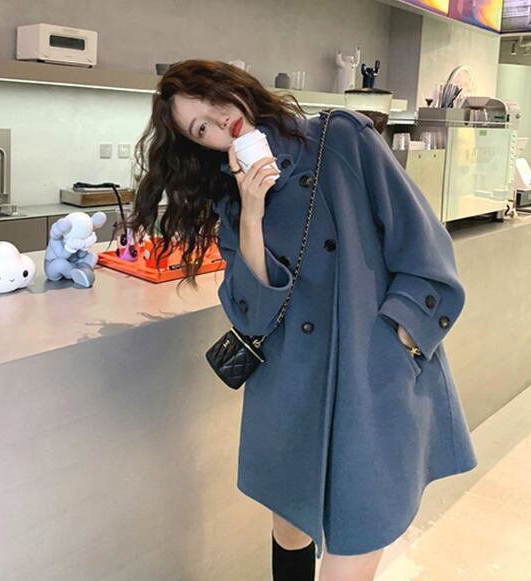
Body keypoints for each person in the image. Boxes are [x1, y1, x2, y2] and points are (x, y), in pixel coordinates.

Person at [129, 59, 478, 581]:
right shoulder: (231, 199)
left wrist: (401, 343)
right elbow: (251, 314)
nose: (220, 121)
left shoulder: (340, 138)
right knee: (290, 528)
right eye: (201, 128)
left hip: (368, 377)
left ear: (236, 87)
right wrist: (251, 211)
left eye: (215, 100)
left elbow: (425, 248)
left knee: (357, 537)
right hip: (290, 387)